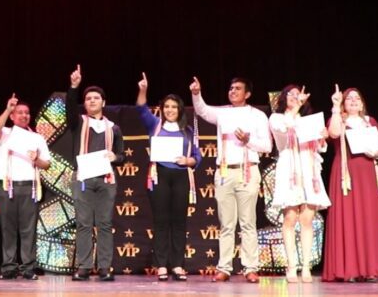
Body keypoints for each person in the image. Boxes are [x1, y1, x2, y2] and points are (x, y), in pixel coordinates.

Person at [190, 76, 270, 283]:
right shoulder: (223, 113)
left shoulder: (258, 116)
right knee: (226, 224)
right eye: (231, 88)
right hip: (225, 172)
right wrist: (196, 93)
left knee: (248, 223)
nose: (232, 91)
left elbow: (267, 146)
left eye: (238, 88)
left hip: (248, 171)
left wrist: (248, 140)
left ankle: (250, 268)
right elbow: (202, 110)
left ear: (247, 94)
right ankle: (224, 267)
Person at [135, 72, 201, 281]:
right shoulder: (154, 125)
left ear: (180, 109)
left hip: (181, 177)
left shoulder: (188, 131)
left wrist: (188, 161)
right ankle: (162, 265)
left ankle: (178, 265)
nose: (170, 110)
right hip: (159, 176)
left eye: (174, 107)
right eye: (166, 107)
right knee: (161, 221)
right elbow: (141, 108)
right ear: (162, 109)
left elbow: (197, 156)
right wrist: (143, 90)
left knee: (179, 222)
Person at [64, 65, 124, 282]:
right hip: (83, 179)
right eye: (88, 98)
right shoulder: (79, 122)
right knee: (84, 223)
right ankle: (84, 267)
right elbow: (70, 108)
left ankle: (105, 267)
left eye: (96, 98)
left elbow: (122, 156)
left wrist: (115, 157)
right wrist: (74, 87)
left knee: (105, 224)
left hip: (106, 180)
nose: (91, 101)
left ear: (103, 103)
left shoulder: (114, 128)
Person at [322, 86, 378, 282]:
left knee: (368, 219)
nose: (353, 101)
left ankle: (370, 269)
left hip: (368, 174)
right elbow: (333, 133)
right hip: (346, 175)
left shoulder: (370, 122)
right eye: (349, 98)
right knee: (348, 218)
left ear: (362, 104)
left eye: (357, 98)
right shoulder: (339, 120)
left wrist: (376, 152)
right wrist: (335, 107)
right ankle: (348, 269)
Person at [268, 84, 329, 283]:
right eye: (291, 94)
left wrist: (322, 138)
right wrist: (296, 108)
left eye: (298, 94)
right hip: (289, 170)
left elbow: (319, 148)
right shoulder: (277, 118)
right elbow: (283, 129)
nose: (295, 97)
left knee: (307, 219)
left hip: (309, 169)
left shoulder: (308, 120)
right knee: (290, 218)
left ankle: (306, 266)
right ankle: (291, 266)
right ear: (283, 98)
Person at [0, 93, 51, 280]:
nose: (24, 115)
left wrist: (37, 159)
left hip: (29, 187)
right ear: (12, 116)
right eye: (19, 112)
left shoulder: (37, 138)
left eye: (27, 113)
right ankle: (9, 267)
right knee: (8, 229)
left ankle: (27, 268)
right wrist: (7, 109)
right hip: (7, 186)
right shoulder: (5, 133)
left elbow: (47, 164)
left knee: (28, 230)